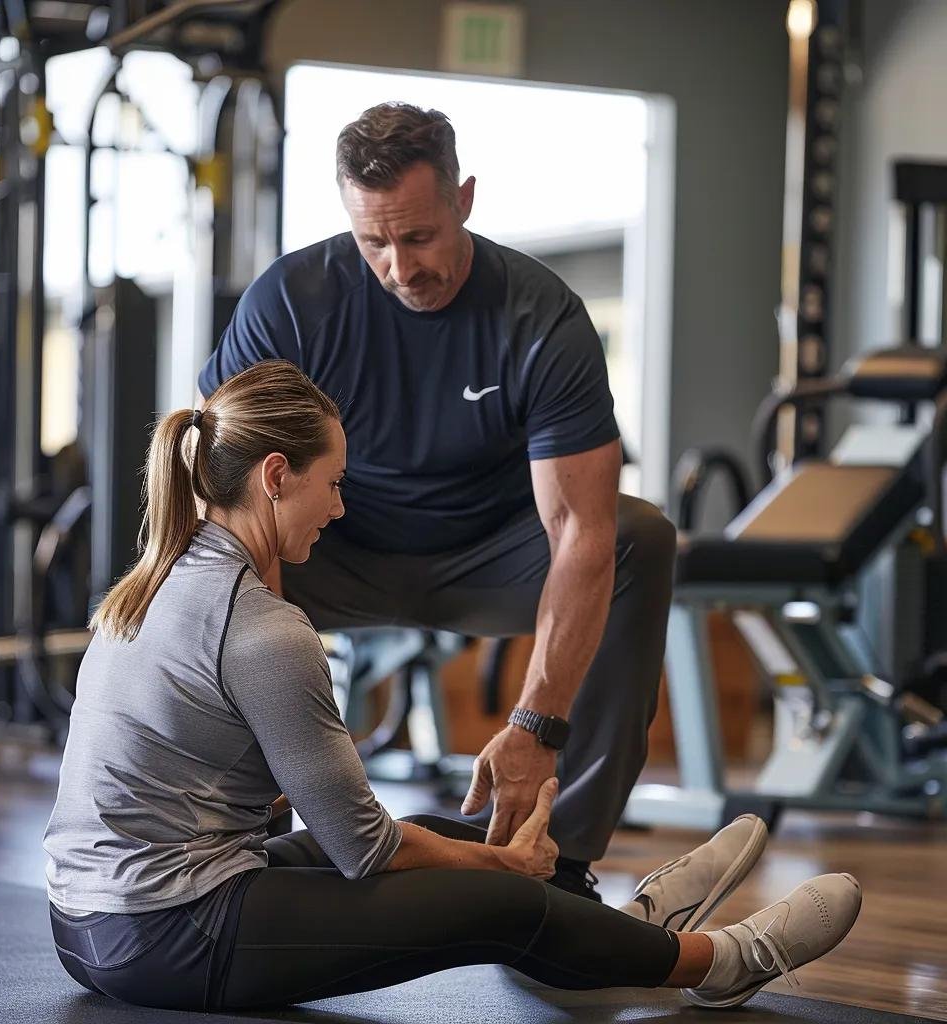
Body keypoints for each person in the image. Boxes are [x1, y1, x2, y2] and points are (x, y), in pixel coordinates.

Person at [43, 361, 861, 1013]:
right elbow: (364, 851)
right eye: (332, 484)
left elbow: (316, 820)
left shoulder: (152, 583)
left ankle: (617, 930)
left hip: (86, 925)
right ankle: (720, 963)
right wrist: (504, 867)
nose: (338, 507)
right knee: (499, 901)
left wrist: (488, 853)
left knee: (449, 834)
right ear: (276, 475)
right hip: (165, 935)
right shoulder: (261, 629)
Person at [196, 102, 673, 900]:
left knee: (637, 538)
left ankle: (564, 862)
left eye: (418, 237)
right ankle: (242, 848)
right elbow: (231, 502)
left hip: (488, 553)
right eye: (373, 241)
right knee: (200, 554)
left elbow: (580, 529)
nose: (399, 267)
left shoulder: (539, 315)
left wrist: (534, 724)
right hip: (332, 548)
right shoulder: (292, 303)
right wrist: (278, 732)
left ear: (465, 200)